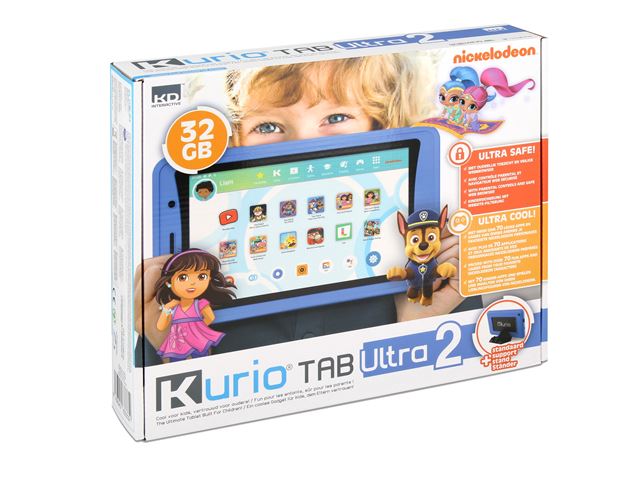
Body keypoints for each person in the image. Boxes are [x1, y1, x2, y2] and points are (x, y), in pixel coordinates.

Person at [135, 53, 479, 367]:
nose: (303, 148)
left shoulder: (427, 268)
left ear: (382, 126)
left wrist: (416, 326)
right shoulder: (198, 290)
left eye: (336, 117)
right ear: (235, 138)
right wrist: (179, 349)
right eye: (268, 127)